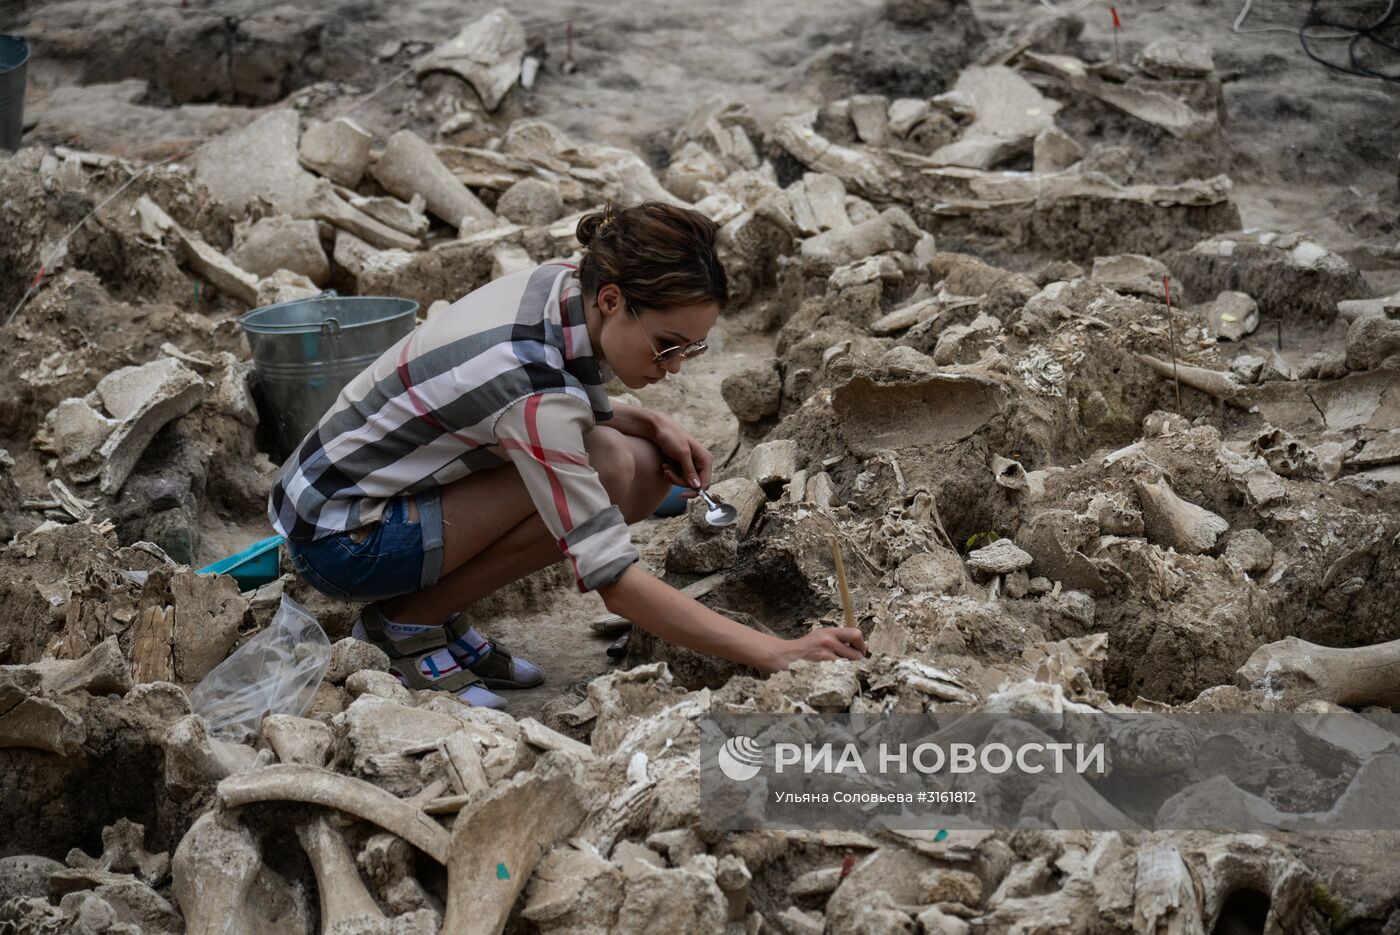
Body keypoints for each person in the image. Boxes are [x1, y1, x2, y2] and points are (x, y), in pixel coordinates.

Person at [268, 202, 866, 708]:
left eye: (691, 348)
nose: (676, 366)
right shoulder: (530, 388)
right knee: (605, 468)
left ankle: (433, 609)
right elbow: (611, 578)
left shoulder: (562, 283)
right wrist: (776, 652)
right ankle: (406, 623)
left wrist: (650, 419)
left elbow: (552, 390)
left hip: (353, 491)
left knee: (621, 456)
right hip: (342, 538)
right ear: (612, 299)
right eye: (666, 346)